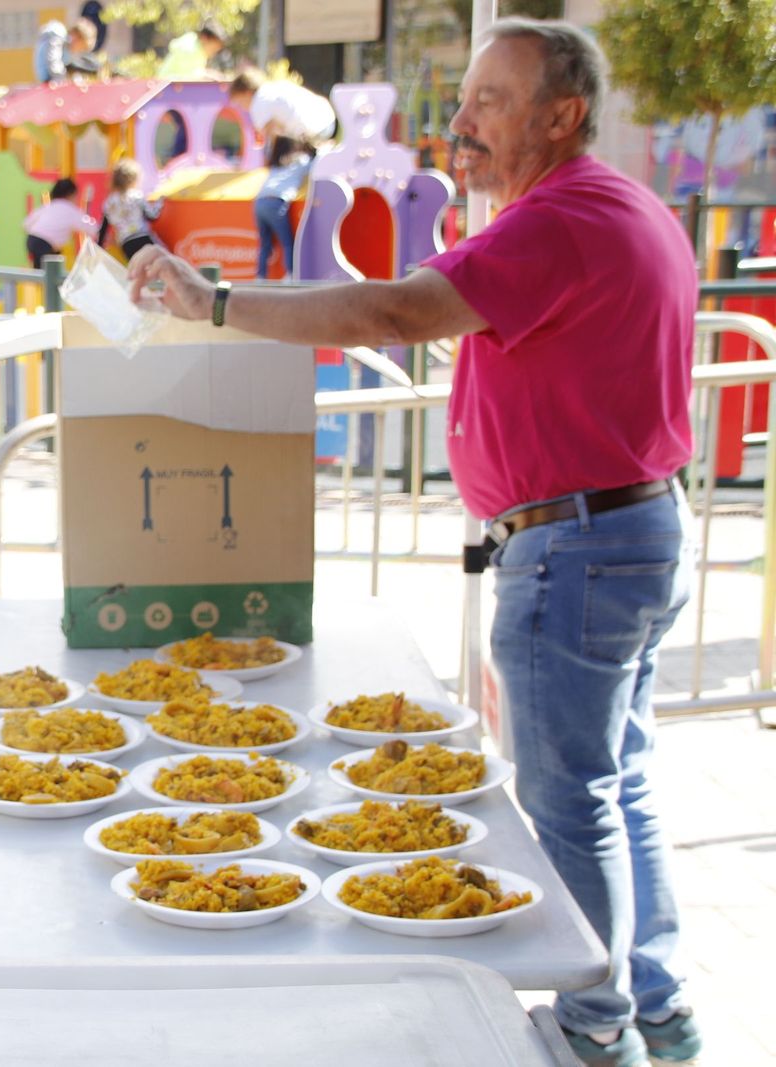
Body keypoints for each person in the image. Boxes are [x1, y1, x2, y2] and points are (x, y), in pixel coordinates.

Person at [131, 20, 702, 1067]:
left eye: (490, 100)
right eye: (467, 98)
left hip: (576, 545)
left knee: (573, 796)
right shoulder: (616, 205)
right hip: (628, 529)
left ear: (561, 115)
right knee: (616, 782)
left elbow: (395, 310)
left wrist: (214, 301)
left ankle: (597, 1024)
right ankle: (654, 1004)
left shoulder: (562, 218)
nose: (461, 123)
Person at [229, 66, 337, 146]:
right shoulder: (276, 86)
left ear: (246, 92)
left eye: (240, 102)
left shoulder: (258, 104)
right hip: (330, 120)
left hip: (313, 133)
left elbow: (274, 137)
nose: (242, 108)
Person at [253, 136, 312, 279]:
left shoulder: (275, 165)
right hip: (276, 202)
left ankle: (260, 277)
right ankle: (290, 274)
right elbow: (315, 162)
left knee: (264, 244)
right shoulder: (300, 161)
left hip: (259, 202)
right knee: (287, 242)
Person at [23, 177, 96, 268]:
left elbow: (27, 223)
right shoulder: (70, 209)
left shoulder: (49, 206)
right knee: (47, 273)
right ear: (71, 194)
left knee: (46, 268)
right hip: (44, 244)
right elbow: (90, 226)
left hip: (32, 239)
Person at [99, 159, 161, 261]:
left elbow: (103, 229)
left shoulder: (109, 202)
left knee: (138, 270)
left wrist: (99, 246)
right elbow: (152, 216)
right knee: (160, 262)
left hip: (126, 243)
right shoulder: (136, 196)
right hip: (143, 238)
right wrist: (160, 202)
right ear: (133, 180)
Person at [34, 18, 98, 84]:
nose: (79, 51)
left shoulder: (67, 50)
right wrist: (68, 80)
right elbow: (53, 64)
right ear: (77, 37)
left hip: (49, 82)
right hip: (47, 81)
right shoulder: (57, 36)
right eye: (82, 47)